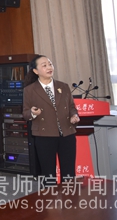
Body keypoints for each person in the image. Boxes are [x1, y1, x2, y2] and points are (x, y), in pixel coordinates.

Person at [22, 54, 80, 186]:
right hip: (44, 136)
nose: (49, 67)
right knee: (48, 173)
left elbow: (72, 107)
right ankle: (50, 198)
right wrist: (33, 113)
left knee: (69, 173)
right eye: (44, 65)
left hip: (67, 133)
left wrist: (74, 115)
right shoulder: (30, 90)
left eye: (50, 64)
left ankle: (69, 197)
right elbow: (25, 114)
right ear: (36, 71)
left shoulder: (63, 86)